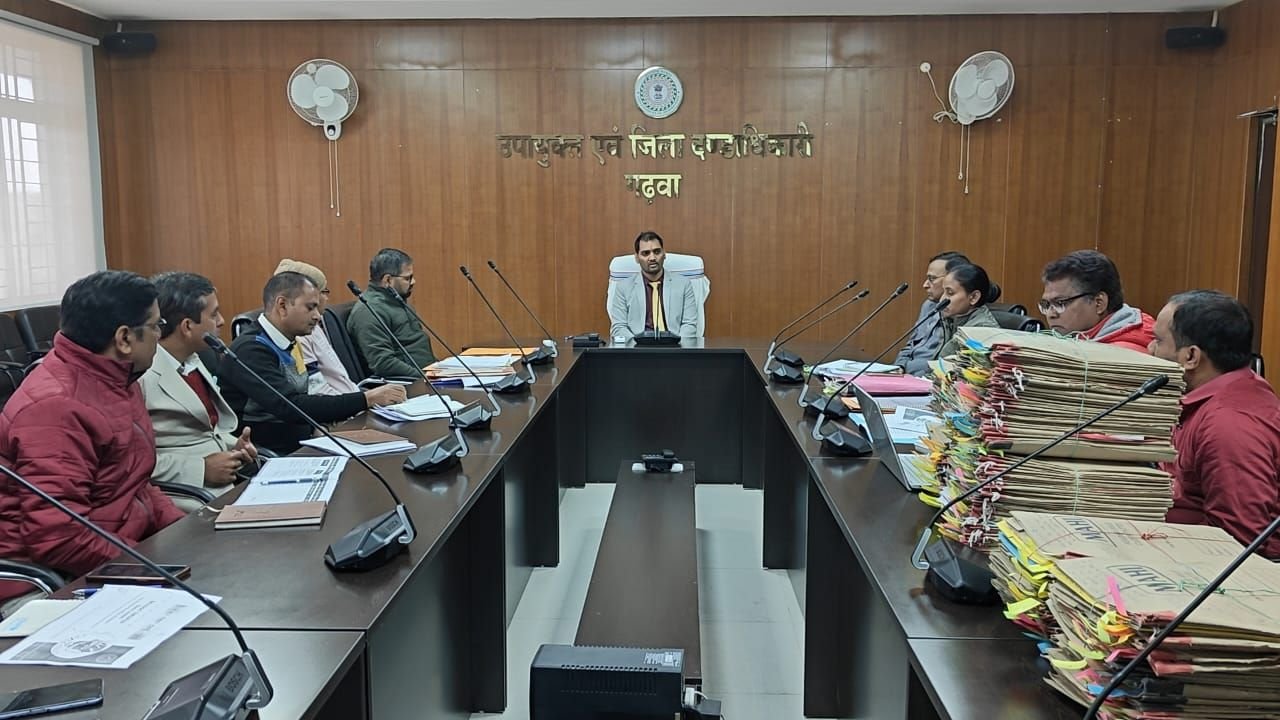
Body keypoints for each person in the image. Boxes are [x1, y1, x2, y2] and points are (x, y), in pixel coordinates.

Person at [0, 270, 186, 608]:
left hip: (111, 553)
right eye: (156, 325)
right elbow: (59, 537)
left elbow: (136, 484)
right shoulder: (55, 408)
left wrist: (186, 536)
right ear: (124, 338)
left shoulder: (118, 379)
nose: (161, 335)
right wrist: (152, 569)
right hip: (44, 582)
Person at [1149, 290, 1280, 559]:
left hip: (1209, 565)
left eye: (1158, 341)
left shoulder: (1230, 424)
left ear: (1191, 357)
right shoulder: (1213, 394)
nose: (1150, 349)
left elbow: (1239, 541)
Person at [217, 272, 406, 454]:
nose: (318, 316)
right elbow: (292, 406)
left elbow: (306, 397)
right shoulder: (251, 350)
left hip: (308, 440)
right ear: (282, 306)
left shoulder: (291, 341)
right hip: (275, 453)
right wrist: (366, 399)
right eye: (310, 307)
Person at [141, 272, 256, 495]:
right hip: (186, 493)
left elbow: (206, 431)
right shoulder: (142, 376)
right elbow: (131, 462)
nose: (221, 321)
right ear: (187, 326)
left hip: (225, 483)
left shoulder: (195, 358)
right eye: (213, 314)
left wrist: (235, 447)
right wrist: (200, 469)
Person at [274, 258, 362, 395]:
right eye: (324, 291)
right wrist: (362, 401)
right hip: (339, 405)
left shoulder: (315, 325)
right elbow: (317, 390)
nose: (327, 298)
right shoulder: (298, 334)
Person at [346, 248, 437, 379]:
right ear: (388, 280)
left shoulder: (397, 300)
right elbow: (384, 363)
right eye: (408, 278)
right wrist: (426, 378)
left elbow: (418, 346)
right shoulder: (369, 311)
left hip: (429, 374)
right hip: (410, 382)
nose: (413, 282)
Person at [1039, 250, 1153, 352]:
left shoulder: (1121, 355)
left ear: (1099, 303)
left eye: (1060, 303)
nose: (1050, 314)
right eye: (1046, 304)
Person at [608, 231, 699, 339]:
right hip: (637, 346)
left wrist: (677, 345)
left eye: (657, 252)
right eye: (646, 253)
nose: (652, 258)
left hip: (674, 345)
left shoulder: (684, 284)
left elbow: (689, 325)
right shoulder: (623, 288)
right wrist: (636, 345)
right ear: (637, 258)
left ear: (664, 254)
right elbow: (619, 327)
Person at [895, 251, 970, 375]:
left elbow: (945, 364)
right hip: (905, 376)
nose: (925, 285)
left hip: (926, 379)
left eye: (932, 279)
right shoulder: (929, 306)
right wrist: (899, 367)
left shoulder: (959, 314)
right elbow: (911, 345)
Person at [931, 263, 1001, 364]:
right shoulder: (951, 318)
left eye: (950, 293)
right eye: (943, 292)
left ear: (974, 297)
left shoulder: (982, 330)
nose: (942, 299)